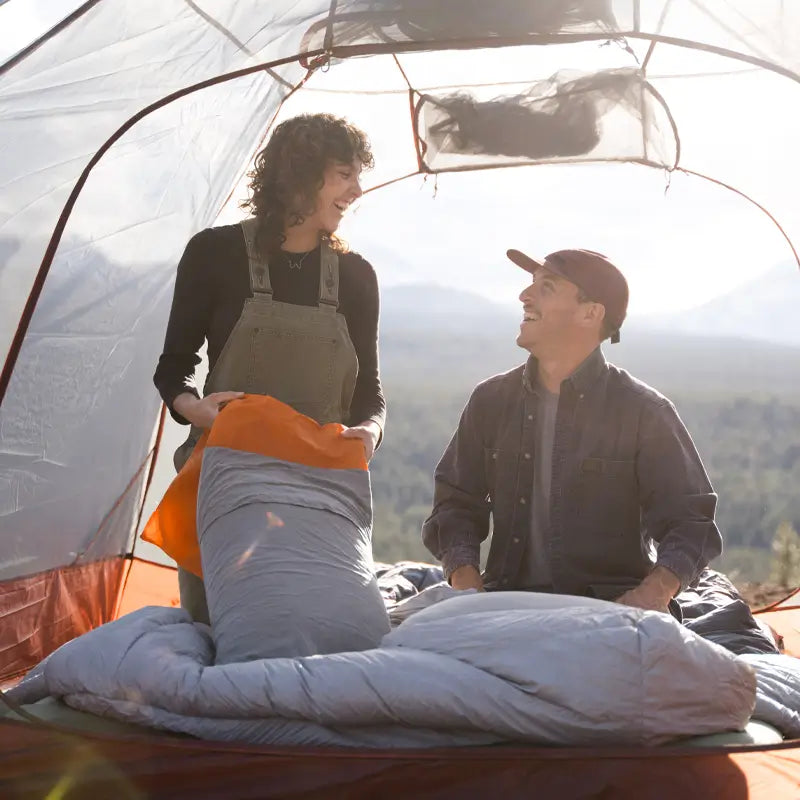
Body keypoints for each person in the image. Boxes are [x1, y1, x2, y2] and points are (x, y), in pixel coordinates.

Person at [153, 113, 386, 623]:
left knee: (316, 635)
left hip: (314, 493)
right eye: (345, 174)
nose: (358, 189)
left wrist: (369, 433)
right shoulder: (213, 253)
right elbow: (173, 369)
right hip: (221, 480)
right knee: (217, 632)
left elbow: (370, 394)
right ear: (301, 172)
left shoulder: (356, 277)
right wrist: (197, 410)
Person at [421, 247, 723, 613]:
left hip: (611, 614)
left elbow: (691, 522)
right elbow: (455, 503)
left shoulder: (645, 412)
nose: (524, 296)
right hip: (504, 606)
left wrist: (650, 596)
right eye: (530, 285)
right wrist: (469, 592)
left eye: (546, 288)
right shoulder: (490, 400)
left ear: (590, 313)